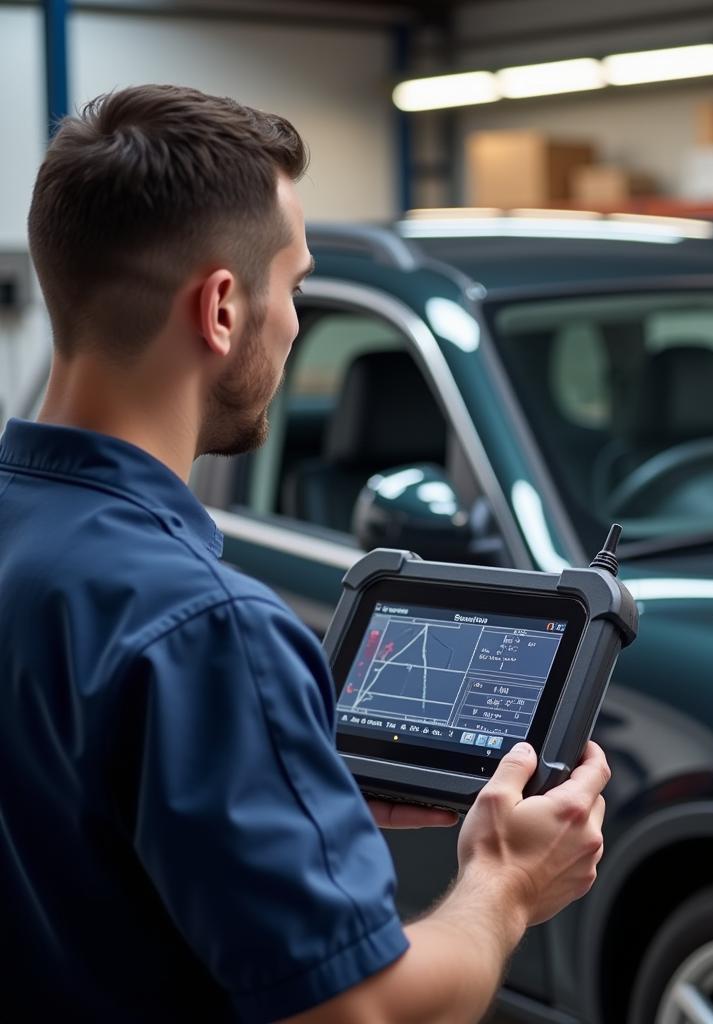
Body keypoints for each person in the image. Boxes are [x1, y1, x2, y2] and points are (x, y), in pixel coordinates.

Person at [0, 85, 609, 1023]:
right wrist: (508, 885)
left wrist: (273, 784)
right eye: (293, 286)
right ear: (222, 308)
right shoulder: (207, 629)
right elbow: (357, 1012)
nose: (292, 322)